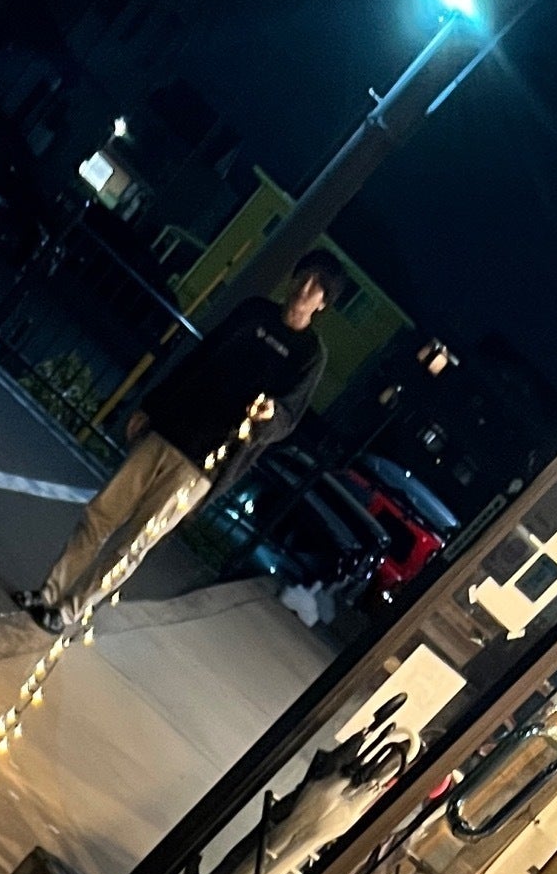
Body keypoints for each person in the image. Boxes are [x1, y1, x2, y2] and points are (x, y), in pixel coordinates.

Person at [18, 254, 344, 630]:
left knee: (134, 543)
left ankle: (68, 611)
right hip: (170, 429)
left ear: (323, 302)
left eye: (317, 286)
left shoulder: (310, 354)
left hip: (206, 462)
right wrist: (152, 405)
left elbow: (289, 417)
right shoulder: (254, 311)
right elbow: (200, 357)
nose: (305, 289)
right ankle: (48, 592)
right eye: (304, 277)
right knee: (100, 514)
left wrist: (270, 414)